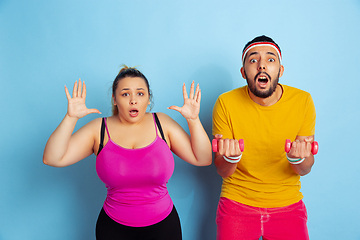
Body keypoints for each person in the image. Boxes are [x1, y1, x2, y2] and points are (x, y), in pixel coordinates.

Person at [43, 66, 212, 240]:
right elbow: (52, 158)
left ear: (148, 99)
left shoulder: (162, 124)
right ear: (114, 99)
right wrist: (71, 118)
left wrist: (193, 120)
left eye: (140, 93)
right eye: (125, 94)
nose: (133, 100)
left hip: (164, 228)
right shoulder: (99, 129)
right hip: (113, 229)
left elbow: (203, 158)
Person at [212, 35, 316, 240]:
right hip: (236, 203)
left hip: (288, 205)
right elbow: (222, 170)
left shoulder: (303, 101)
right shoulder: (226, 103)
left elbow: (305, 169)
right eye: (253, 60)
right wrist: (230, 157)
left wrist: (299, 158)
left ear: (280, 70)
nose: (262, 66)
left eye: (270, 59)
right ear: (243, 73)